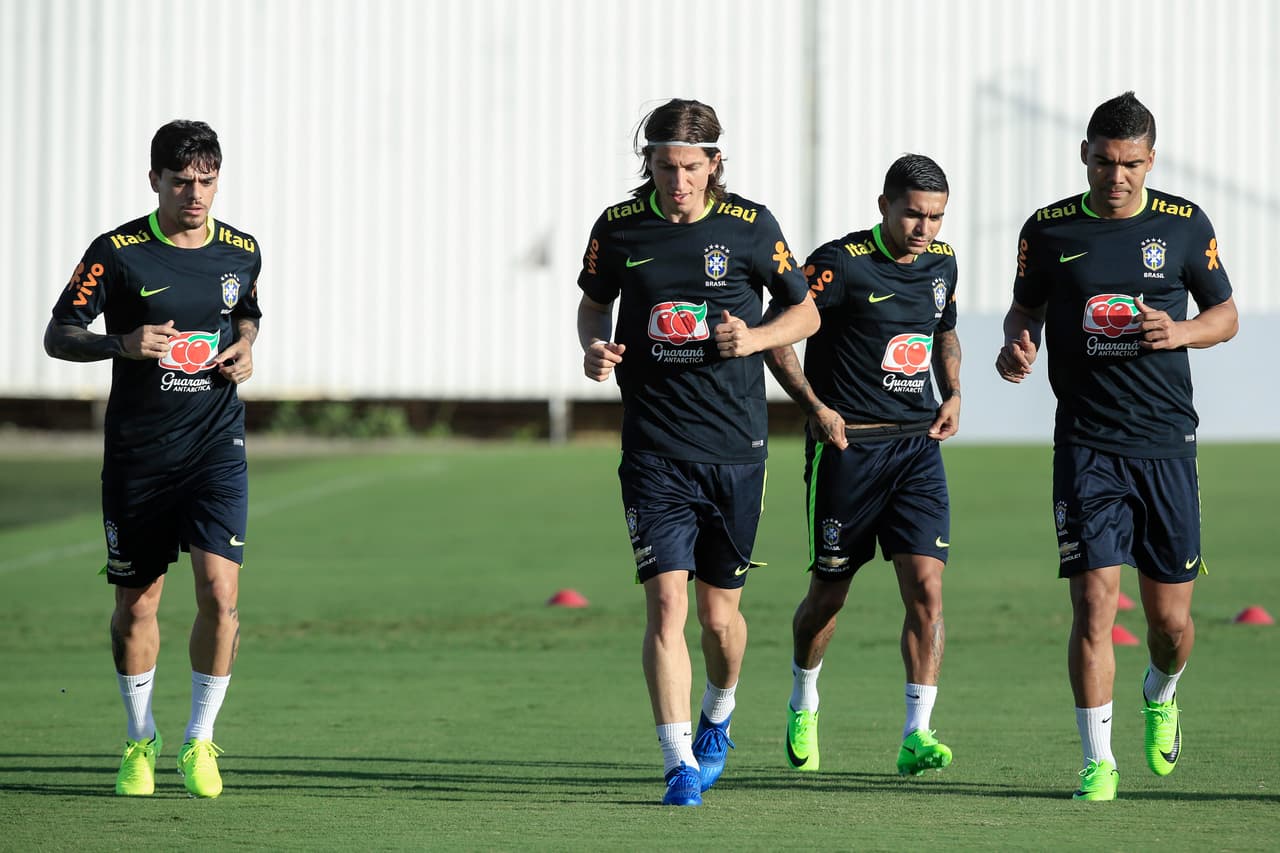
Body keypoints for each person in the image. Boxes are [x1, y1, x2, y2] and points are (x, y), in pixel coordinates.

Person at [995, 91, 1237, 801]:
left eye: (1131, 163)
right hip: (1085, 444)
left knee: (1170, 623)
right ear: (1085, 156)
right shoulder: (1047, 229)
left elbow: (1225, 315)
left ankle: (1161, 692)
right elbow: (1024, 305)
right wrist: (1018, 341)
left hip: (1166, 444)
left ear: (1151, 160)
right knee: (1095, 603)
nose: (1117, 176)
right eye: (1104, 161)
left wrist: (1181, 330)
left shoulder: (1185, 225)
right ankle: (1097, 760)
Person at [577, 98, 819, 806]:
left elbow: (804, 310)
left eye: (688, 168)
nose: (675, 182)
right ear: (646, 163)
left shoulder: (752, 227)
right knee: (666, 605)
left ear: (715, 163)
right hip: (653, 448)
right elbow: (593, 304)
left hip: (736, 450)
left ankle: (719, 711)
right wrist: (592, 345)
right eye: (662, 167)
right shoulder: (619, 228)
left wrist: (758, 337)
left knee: (719, 618)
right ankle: (678, 760)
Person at [45, 120, 263, 799]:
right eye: (180, 182)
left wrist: (247, 344)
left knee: (220, 597)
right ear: (155, 182)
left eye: (205, 180)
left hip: (216, 446)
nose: (195, 194)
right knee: (138, 609)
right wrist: (124, 343)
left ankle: (200, 740)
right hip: (139, 455)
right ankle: (140, 738)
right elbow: (59, 335)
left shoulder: (242, 249)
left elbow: (246, 310)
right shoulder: (117, 252)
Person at [765, 154, 961, 778]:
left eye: (934, 216)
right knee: (829, 594)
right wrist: (817, 408)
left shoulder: (943, 262)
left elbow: (944, 329)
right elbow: (778, 334)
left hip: (917, 447)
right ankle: (804, 697)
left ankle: (917, 733)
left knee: (927, 589)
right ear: (884, 205)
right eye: (913, 213)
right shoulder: (840, 263)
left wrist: (952, 390)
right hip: (848, 451)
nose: (924, 227)